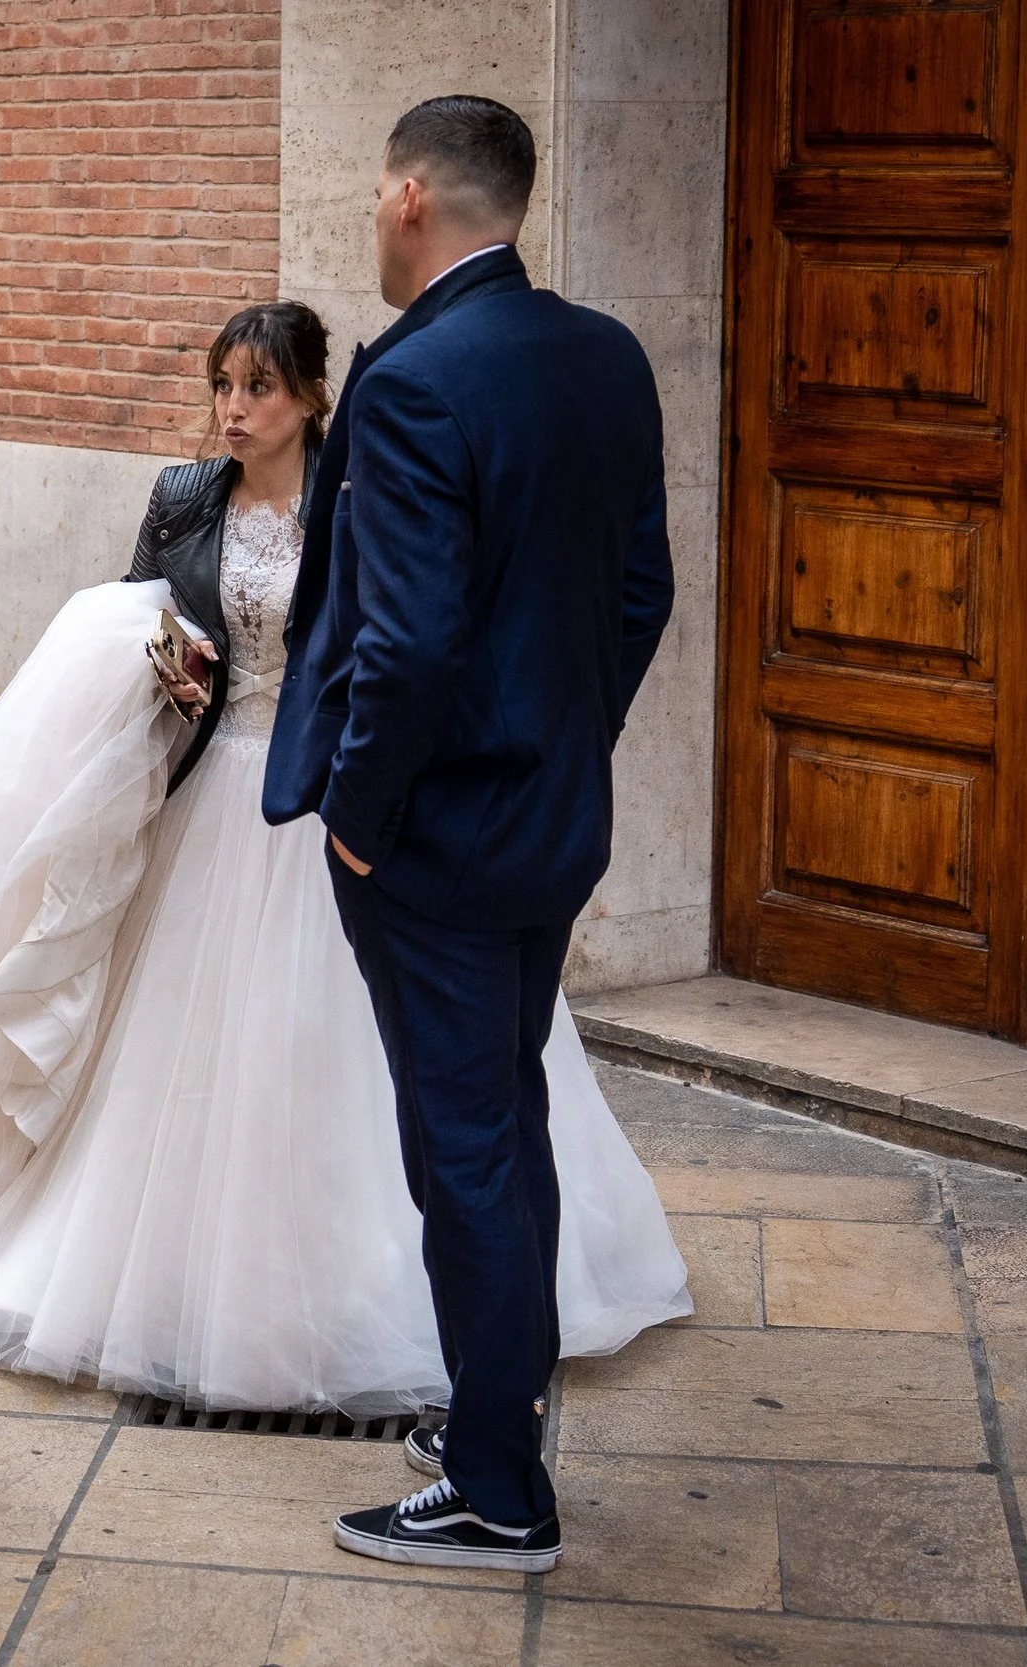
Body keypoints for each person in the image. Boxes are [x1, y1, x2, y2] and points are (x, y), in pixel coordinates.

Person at [0, 300, 686, 1429]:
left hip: (329, 799)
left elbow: (406, 636)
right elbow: (136, 618)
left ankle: (410, 1305)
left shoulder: (361, 494)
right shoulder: (182, 498)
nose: (232, 408)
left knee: (347, 1058)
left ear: (311, 398)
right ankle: (177, 1275)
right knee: (182, 1051)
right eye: (221, 384)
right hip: (209, 788)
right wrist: (168, 671)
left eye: (258, 388)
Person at [265, 97, 677, 1572]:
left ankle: (500, 1487)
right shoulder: (605, 355)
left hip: (434, 842)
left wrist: (364, 820)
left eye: (379, 193)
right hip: (553, 823)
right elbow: (641, 597)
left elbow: (411, 641)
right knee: (508, 1120)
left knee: (466, 1150)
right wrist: (564, 745)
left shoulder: (422, 376)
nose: (374, 216)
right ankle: (501, 1407)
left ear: (415, 194)